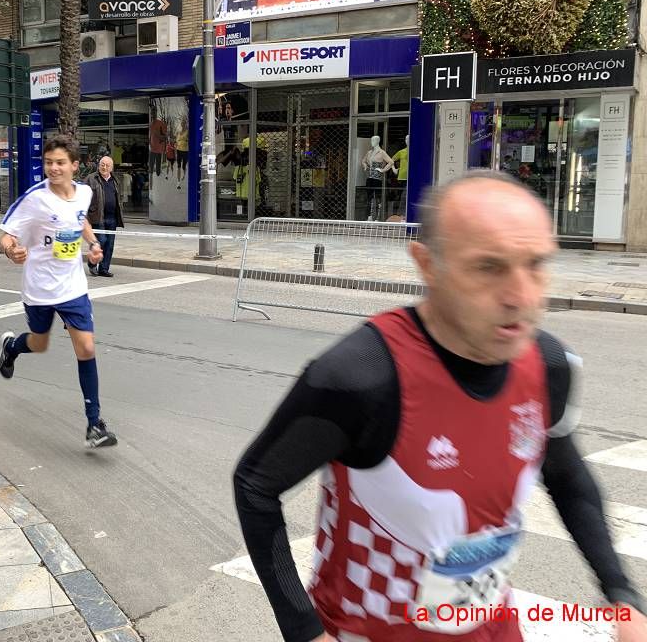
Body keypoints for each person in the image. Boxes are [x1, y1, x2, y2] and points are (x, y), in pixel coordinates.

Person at [233, 171, 647, 642]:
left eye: (535, 264)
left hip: (492, 627)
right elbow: (255, 486)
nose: (522, 297)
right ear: (427, 264)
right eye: (488, 267)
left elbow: (568, 477)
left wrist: (621, 597)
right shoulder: (361, 376)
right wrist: (304, 631)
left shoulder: (547, 363)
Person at [0, 134, 118, 449]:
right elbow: (7, 236)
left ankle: (95, 424)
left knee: (87, 348)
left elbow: (79, 223)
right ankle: (12, 348)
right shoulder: (35, 198)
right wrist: (12, 251)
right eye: (49, 162)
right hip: (39, 288)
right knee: (39, 345)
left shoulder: (85, 193)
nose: (53, 168)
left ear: (74, 166)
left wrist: (92, 244)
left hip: (72, 286)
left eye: (60, 163)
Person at [84, 155, 123, 279]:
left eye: (107, 165)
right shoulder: (91, 178)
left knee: (109, 244)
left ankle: (104, 269)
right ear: (98, 165)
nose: (104, 167)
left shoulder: (115, 180)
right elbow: (82, 197)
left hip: (112, 217)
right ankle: (92, 263)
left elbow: (119, 198)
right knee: (101, 241)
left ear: (111, 168)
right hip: (97, 216)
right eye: (102, 164)